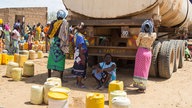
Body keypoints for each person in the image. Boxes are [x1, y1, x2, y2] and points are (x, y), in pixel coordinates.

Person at [132, 14, 157, 93]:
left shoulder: (141, 34)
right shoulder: (153, 35)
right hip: (148, 53)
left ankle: (138, 86)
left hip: (140, 52)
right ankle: (143, 87)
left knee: (138, 69)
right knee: (145, 70)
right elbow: (154, 32)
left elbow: (137, 43)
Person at [47, 10, 69, 81]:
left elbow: (48, 33)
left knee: (51, 58)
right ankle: (61, 78)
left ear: (57, 15)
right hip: (61, 43)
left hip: (53, 43)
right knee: (61, 59)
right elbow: (65, 34)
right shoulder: (65, 23)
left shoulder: (53, 22)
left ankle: (49, 76)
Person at [72, 23, 88, 88]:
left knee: (77, 67)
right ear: (82, 29)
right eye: (85, 29)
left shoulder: (76, 35)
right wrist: (82, 57)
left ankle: (77, 82)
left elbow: (73, 44)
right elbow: (81, 47)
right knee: (81, 68)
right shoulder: (80, 37)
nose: (85, 30)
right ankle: (79, 83)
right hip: (81, 53)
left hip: (77, 53)